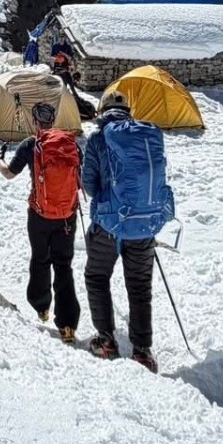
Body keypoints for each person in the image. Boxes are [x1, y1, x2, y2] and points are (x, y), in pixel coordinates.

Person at [81, 94, 174, 371]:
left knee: (97, 277)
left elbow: (89, 185)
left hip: (108, 224)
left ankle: (106, 340)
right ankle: (142, 351)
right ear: (127, 112)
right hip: (143, 225)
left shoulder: (98, 139)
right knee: (140, 286)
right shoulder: (145, 137)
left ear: (104, 111)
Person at [0, 102, 82, 342]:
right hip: (66, 215)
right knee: (63, 265)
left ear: (35, 122)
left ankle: (41, 306)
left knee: (40, 259)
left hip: (39, 215)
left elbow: (9, 173)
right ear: (53, 120)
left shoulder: (31, 145)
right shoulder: (71, 144)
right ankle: (68, 325)